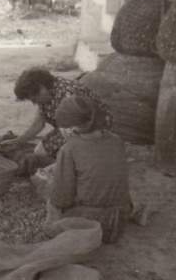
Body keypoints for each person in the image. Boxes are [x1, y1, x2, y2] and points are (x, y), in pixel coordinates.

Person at [45, 95, 132, 244]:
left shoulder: (69, 149)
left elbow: (62, 198)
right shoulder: (116, 140)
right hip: (121, 214)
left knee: (50, 196)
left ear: (71, 128)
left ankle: (51, 229)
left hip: (91, 221)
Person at [0, 67, 112, 173]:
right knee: (39, 152)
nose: (34, 102)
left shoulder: (68, 94)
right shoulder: (47, 93)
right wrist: (18, 140)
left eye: (34, 98)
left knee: (55, 161)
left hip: (92, 128)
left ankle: (69, 167)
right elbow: (39, 123)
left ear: (41, 89)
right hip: (68, 129)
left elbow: (78, 129)